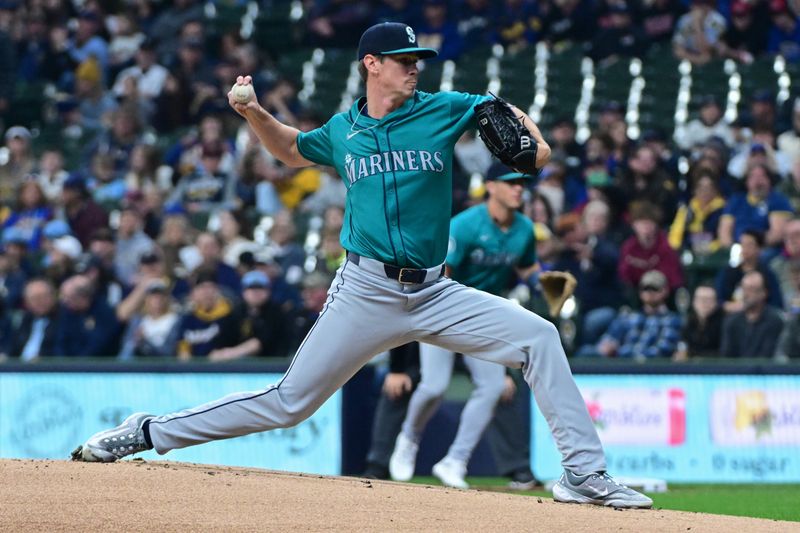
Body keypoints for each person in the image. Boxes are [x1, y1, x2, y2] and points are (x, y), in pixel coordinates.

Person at [72, 22, 652, 509]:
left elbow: (513, 128)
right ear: (371, 64)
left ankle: (583, 475)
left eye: (418, 59)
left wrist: (529, 136)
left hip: (436, 291)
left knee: (539, 337)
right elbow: (291, 148)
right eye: (404, 60)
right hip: (365, 290)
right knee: (289, 403)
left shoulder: (446, 109)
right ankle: (148, 431)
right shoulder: (344, 131)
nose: (415, 67)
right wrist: (253, 114)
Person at [389, 162, 538, 490]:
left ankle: (455, 459)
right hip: (441, 307)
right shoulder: (465, 226)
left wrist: (544, 281)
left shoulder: (525, 228)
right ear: (490, 187)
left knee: (493, 387)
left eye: (521, 183)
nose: (518, 188)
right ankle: (409, 438)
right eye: (510, 182)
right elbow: (443, 274)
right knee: (434, 386)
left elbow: (528, 269)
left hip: (484, 316)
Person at [576, 270, 682, 360]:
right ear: (640, 292)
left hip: (650, 372)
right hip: (620, 369)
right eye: (646, 288)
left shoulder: (672, 320)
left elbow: (661, 352)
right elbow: (606, 344)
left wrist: (619, 353)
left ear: (665, 291)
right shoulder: (628, 317)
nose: (650, 293)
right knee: (586, 352)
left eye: (655, 288)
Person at [720, 271, 784, 358]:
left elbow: (768, 356)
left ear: (764, 293)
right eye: (744, 289)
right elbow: (726, 356)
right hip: (736, 371)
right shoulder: (732, 321)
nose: (746, 294)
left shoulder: (775, 321)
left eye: (751, 289)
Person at [10, 279, 59, 361]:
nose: (40, 302)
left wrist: (42, 360)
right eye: (35, 298)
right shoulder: (25, 320)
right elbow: (13, 347)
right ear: (26, 302)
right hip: (21, 370)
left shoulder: (64, 320)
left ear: (53, 297)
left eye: (44, 297)